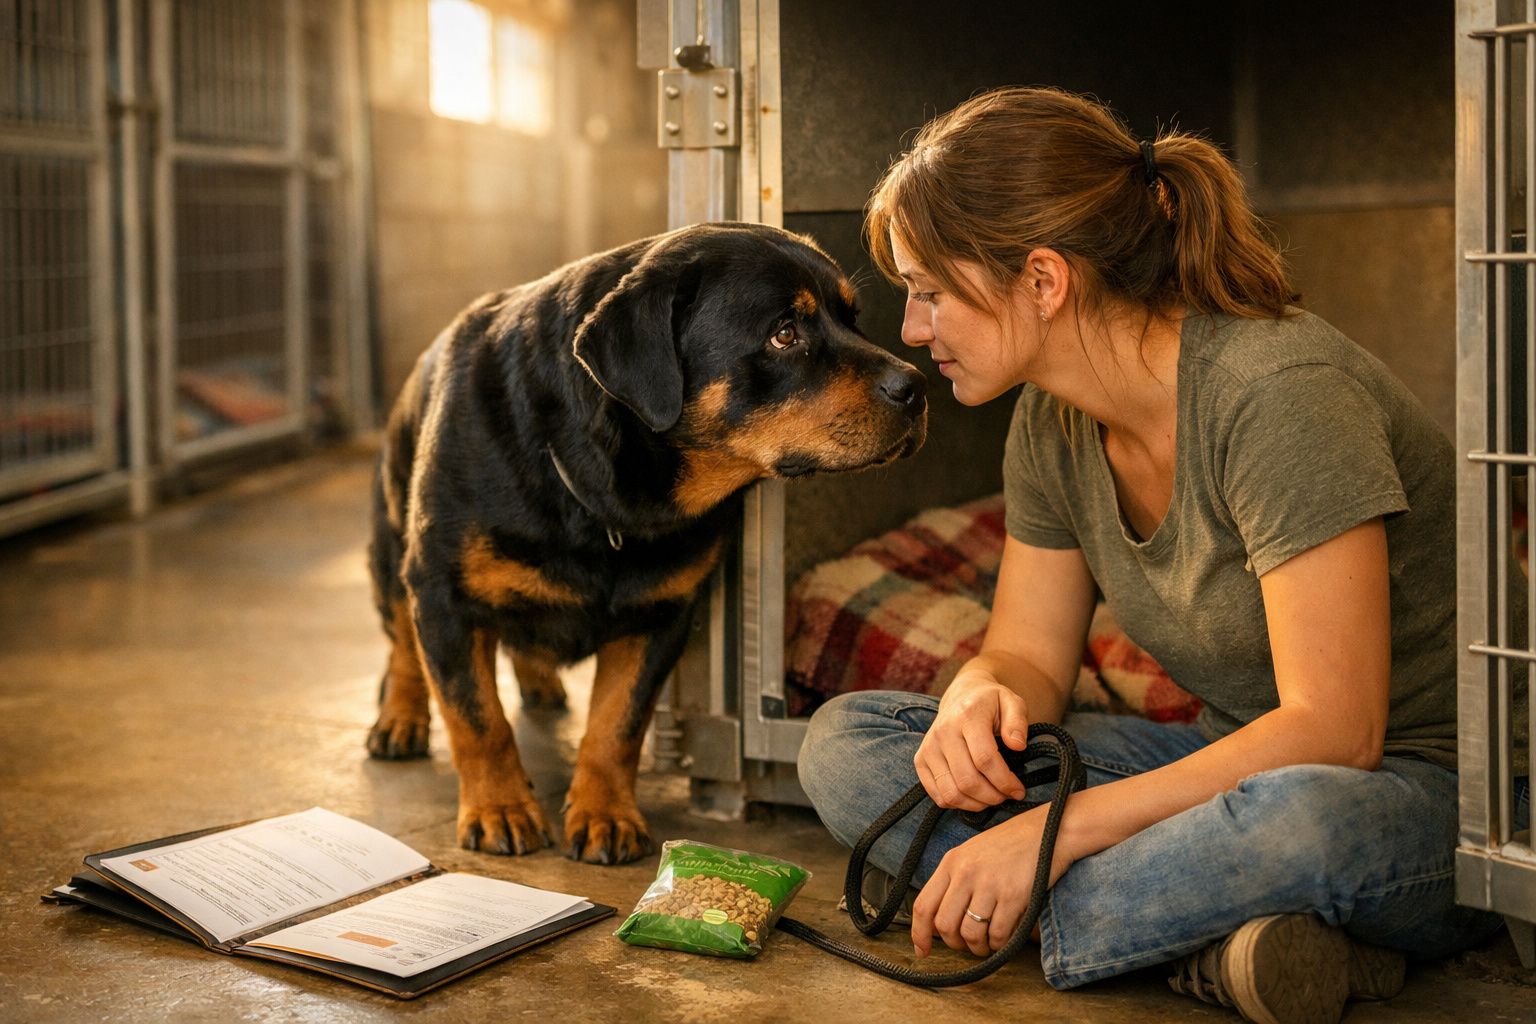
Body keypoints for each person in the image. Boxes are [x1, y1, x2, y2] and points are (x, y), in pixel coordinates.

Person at [796, 85, 1531, 1024]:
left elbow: (1337, 733)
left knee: (1301, 827)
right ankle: (1209, 936)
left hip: (1444, 797)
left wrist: (1049, 836)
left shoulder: (1279, 395)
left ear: (1044, 280)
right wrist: (981, 694)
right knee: (849, 744)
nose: (910, 329)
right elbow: (1027, 657)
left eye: (932, 293)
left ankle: (1028, 910)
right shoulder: (1050, 422)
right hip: (1230, 761)